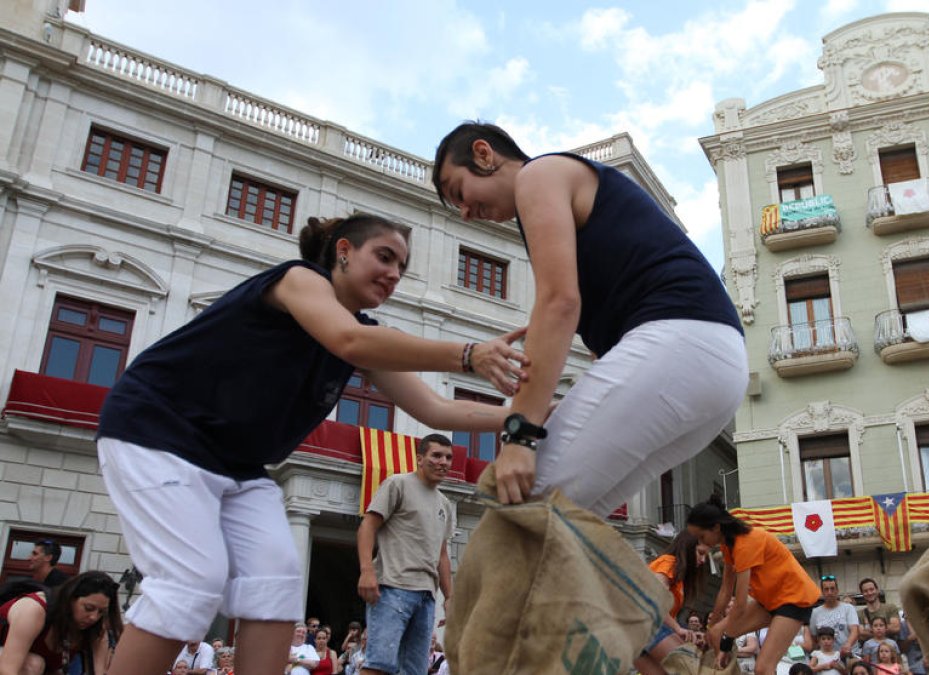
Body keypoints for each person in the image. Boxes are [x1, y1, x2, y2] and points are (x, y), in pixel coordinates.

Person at [95, 212, 528, 675]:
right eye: (384, 257)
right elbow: (349, 340)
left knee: (278, 585)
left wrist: (528, 420)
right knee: (189, 580)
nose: (394, 274)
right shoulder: (298, 281)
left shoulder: (366, 336)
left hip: (238, 465)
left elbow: (436, 411)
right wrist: (469, 355)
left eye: (401, 266)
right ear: (343, 251)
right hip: (158, 431)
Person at [433, 123, 747, 520]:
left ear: (483, 154)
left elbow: (558, 303)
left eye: (458, 191)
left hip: (681, 340)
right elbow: (598, 338)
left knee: (524, 507)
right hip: (717, 368)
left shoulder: (538, 175)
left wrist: (520, 434)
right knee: (567, 525)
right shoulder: (563, 202)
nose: (463, 211)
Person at [357, 434, 457, 675]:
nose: (443, 461)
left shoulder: (445, 504)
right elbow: (367, 526)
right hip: (392, 587)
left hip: (426, 596)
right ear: (420, 458)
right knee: (379, 665)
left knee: (414, 670)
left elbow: (442, 554)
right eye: (436, 455)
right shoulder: (397, 483)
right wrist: (366, 571)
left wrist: (450, 597)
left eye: (448, 457)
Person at [686, 496, 820, 675]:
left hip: (794, 599)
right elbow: (725, 590)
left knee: (763, 669)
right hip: (769, 600)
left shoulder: (745, 543)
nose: (701, 543)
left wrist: (727, 642)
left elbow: (740, 604)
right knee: (715, 633)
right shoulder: (728, 545)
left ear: (716, 527)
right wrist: (711, 627)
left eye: (702, 537)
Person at [0, 571, 123, 675]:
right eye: (88, 608)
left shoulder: (97, 630)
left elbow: (98, 671)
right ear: (70, 598)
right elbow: (7, 669)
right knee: (33, 665)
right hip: (8, 663)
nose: (94, 617)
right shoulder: (34, 610)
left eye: (101, 612)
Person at [635, 532, 710, 673]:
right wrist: (678, 629)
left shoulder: (675, 572)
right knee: (691, 670)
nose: (704, 560)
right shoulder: (669, 562)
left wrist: (685, 633)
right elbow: (657, 600)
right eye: (700, 553)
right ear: (687, 548)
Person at [807, 576, 860, 664]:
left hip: (848, 656)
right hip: (827, 659)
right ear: (822, 592)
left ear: (837, 590)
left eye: (832, 589)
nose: (830, 592)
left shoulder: (848, 608)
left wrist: (848, 644)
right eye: (826, 589)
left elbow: (855, 631)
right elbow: (814, 637)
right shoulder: (815, 613)